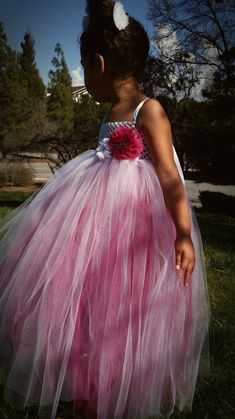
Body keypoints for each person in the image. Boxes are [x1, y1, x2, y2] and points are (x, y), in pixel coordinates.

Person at [0, 1, 211, 418]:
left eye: (82, 66)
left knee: (122, 301)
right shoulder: (110, 112)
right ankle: (85, 382)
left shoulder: (148, 110)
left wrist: (183, 233)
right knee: (86, 298)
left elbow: (169, 176)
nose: (83, 76)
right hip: (94, 218)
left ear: (97, 64)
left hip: (133, 226)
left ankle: (114, 383)